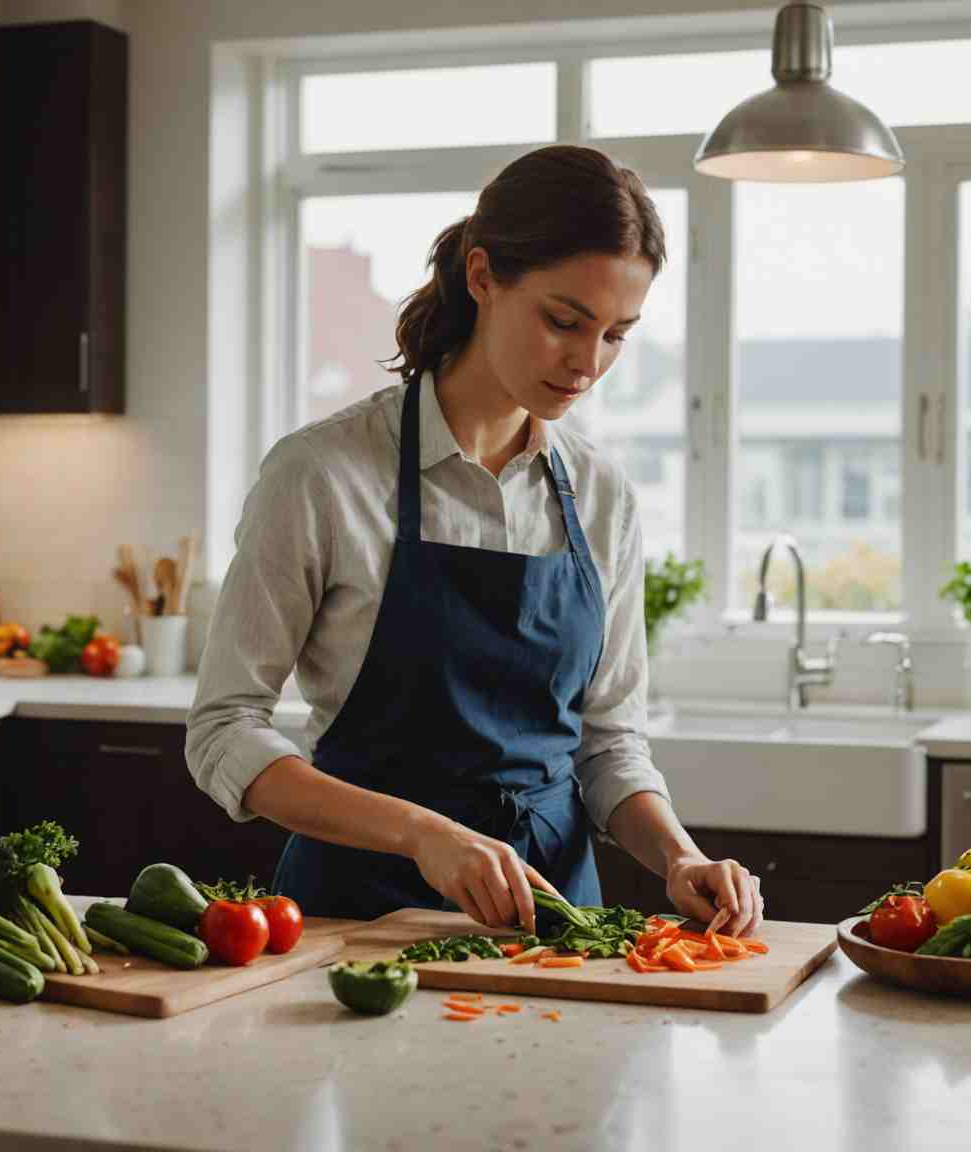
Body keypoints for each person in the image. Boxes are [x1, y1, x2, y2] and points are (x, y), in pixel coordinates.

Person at [186, 144, 763, 937]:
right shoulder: (322, 474)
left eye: (616, 335)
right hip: (355, 920)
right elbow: (224, 730)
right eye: (564, 322)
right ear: (483, 276)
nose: (587, 363)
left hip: (555, 926)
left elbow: (607, 742)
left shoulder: (602, 494)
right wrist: (424, 834)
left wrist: (678, 857)